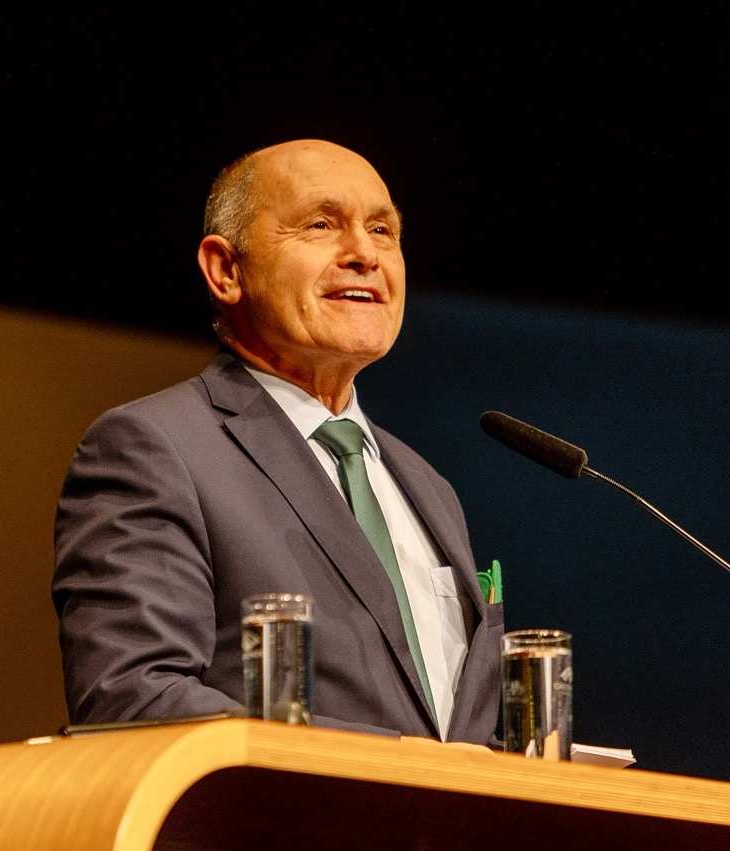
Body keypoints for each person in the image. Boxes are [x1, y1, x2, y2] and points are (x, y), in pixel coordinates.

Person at [52, 139, 502, 744]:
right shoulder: (153, 449)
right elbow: (133, 697)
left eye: (382, 230)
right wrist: (400, 765)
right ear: (225, 270)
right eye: (321, 224)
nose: (365, 254)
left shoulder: (428, 487)